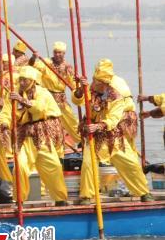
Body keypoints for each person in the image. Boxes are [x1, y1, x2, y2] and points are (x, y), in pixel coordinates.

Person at [75, 59, 151, 203]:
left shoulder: (116, 96)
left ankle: (143, 192)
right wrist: (80, 89)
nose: (95, 83)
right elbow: (78, 100)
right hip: (94, 137)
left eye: (98, 82)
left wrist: (98, 126)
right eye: (94, 80)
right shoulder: (91, 89)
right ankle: (86, 195)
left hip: (113, 135)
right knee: (88, 163)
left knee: (130, 162)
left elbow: (113, 118)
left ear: (106, 83)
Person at [10, 66, 68, 205]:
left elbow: (39, 108)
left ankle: (60, 199)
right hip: (24, 136)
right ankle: (19, 200)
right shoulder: (15, 94)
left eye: (25, 80)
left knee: (54, 166)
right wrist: (5, 124)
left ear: (32, 81)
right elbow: (7, 111)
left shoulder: (43, 92)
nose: (22, 83)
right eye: (20, 80)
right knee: (20, 166)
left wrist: (22, 100)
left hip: (42, 135)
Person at [33, 41, 79, 142]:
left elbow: (73, 84)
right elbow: (33, 67)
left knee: (71, 121)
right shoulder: (46, 63)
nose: (57, 55)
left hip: (61, 98)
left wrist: (78, 91)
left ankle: (80, 141)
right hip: (48, 97)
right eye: (55, 52)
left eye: (60, 52)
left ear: (63, 53)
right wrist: (33, 58)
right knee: (47, 121)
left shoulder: (68, 67)